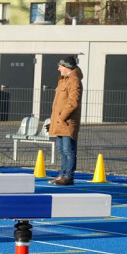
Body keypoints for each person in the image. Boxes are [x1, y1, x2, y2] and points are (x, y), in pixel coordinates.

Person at [48, 55, 83, 186]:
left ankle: (68, 176)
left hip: (67, 122)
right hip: (60, 122)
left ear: (67, 67)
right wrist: (54, 121)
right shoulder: (64, 80)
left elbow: (73, 102)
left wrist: (62, 117)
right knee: (62, 150)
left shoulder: (74, 80)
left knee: (69, 150)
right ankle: (62, 174)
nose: (58, 68)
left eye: (60, 66)